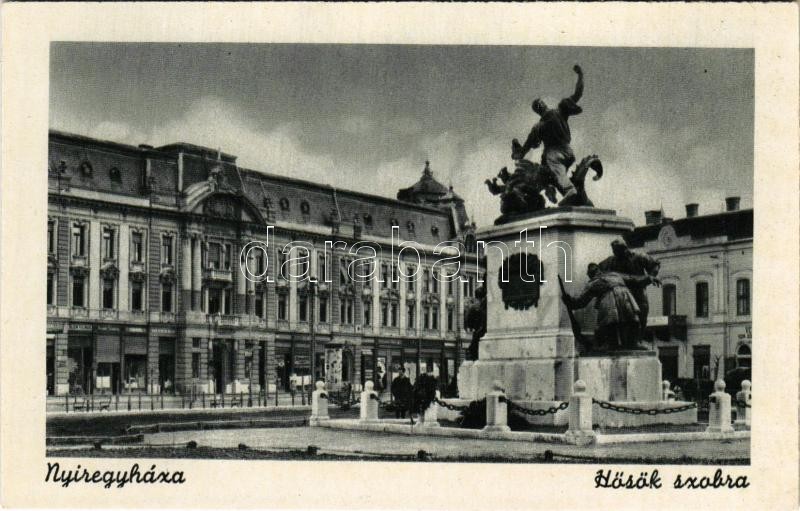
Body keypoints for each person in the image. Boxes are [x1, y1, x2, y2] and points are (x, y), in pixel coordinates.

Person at [511, 64, 584, 205]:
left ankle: (569, 190)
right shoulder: (560, 110)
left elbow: (525, 149)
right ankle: (563, 193)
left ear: (538, 111)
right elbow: (578, 94)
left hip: (555, 155)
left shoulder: (539, 126)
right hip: (568, 153)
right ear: (543, 105)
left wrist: (517, 152)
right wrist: (581, 75)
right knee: (549, 172)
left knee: (550, 164)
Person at [564, 263, 660, 350]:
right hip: (619, 296)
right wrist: (570, 301)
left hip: (618, 297)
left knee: (629, 321)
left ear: (591, 273)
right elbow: (634, 279)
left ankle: (630, 343)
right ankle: (619, 344)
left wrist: (649, 278)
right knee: (617, 322)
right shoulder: (606, 278)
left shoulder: (602, 279)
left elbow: (633, 279)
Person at [598, 239, 661, 338]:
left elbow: (655, 265)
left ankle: (639, 338)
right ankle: (629, 341)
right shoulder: (612, 260)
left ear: (624, 249)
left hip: (638, 291)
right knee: (626, 318)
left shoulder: (639, 256)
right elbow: (599, 268)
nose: (615, 254)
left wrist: (651, 276)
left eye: (617, 251)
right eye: (614, 251)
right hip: (623, 293)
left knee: (642, 314)